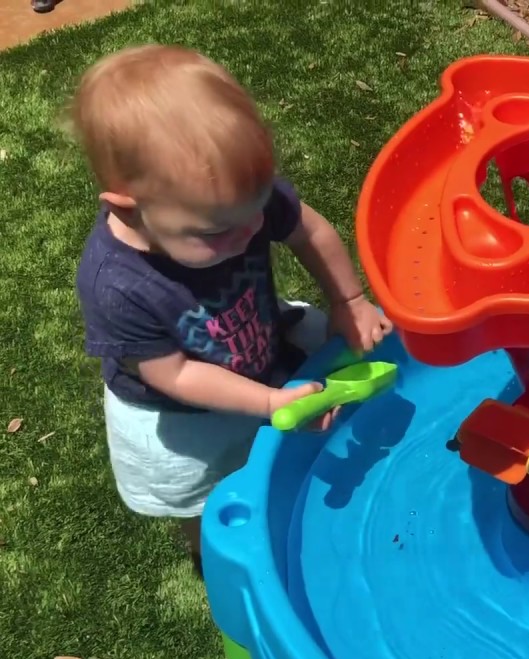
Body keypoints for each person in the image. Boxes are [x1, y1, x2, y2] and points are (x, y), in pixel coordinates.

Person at [72, 45, 394, 575]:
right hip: (180, 412)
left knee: (309, 404)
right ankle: (212, 549)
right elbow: (173, 373)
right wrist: (268, 402)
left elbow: (307, 229)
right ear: (128, 207)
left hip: (259, 336)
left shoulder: (230, 201)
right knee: (203, 492)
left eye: (257, 208)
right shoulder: (118, 286)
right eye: (221, 231)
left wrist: (348, 300)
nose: (252, 234)